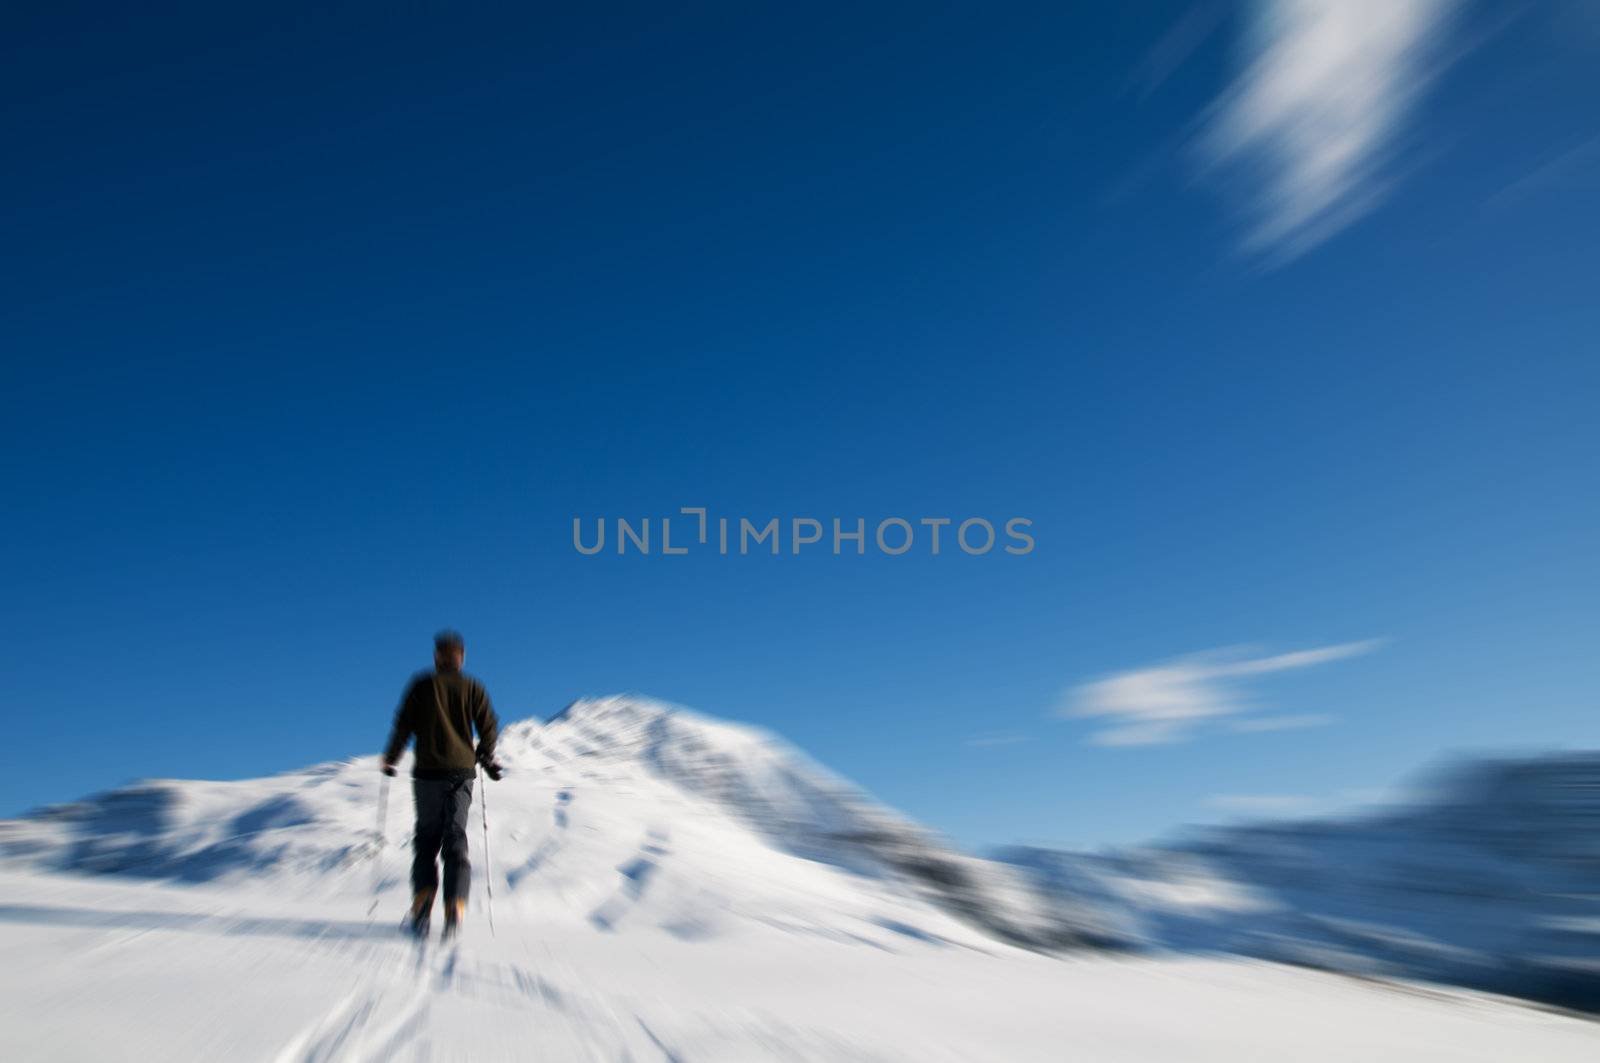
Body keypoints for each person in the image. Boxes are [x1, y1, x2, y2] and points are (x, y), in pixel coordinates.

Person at [381, 630, 503, 939]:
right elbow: (488, 724)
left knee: (426, 840)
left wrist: (391, 758)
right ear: (461, 657)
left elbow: (403, 724)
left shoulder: (422, 685)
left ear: (437, 656)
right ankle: (456, 903)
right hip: (461, 772)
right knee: (455, 838)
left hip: (427, 774)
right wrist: (486, 753)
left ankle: (423, 901)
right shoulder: (472, 687)